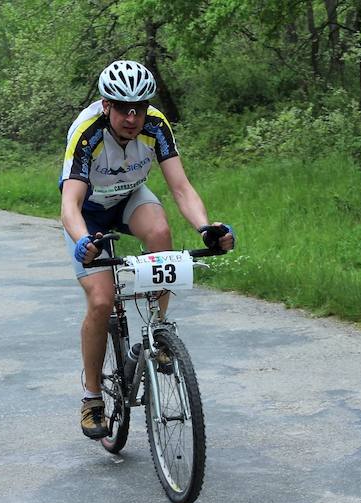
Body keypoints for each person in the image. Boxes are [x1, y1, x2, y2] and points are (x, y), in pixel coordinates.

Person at [60, 60, 235, 439]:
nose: (132, 116)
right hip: (89, 213)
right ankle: (92, 398)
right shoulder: (87, 133)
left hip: (128, 198)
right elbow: (69, 205)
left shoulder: (155, 124)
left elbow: (181, 188)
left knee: (160, 232)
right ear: (106, 106)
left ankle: (157, 332)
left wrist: (206, 228)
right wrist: (82, 242)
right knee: (102, 301)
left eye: (139, 107)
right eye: (123, 107)